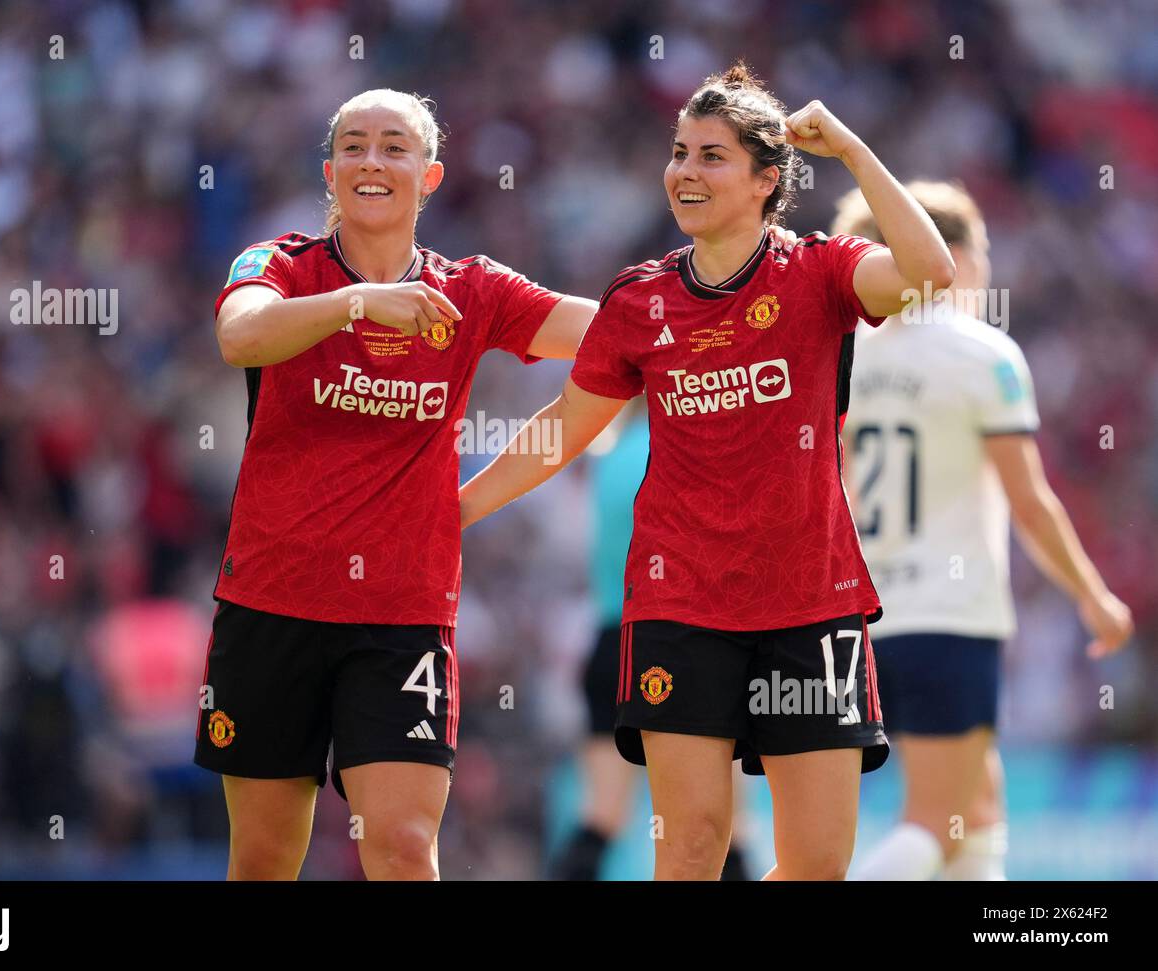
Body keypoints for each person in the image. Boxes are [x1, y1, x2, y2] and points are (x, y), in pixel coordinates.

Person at [460, 62, 956, 880]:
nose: (685, 171)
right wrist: (458, 508)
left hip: (810, 603)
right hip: (680, 605)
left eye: (711, 156)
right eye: (679, 152)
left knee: (818, 863)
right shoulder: (638, 302)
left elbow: (932, 275)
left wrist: (855, 153)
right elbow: (561, 431)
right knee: (690, 850)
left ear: (768, 179)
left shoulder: (822, 274)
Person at [193, 88, 602, 881]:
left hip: (402, 615)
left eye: (393, 146)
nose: (371, 160)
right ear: (330, 170)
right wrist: (355, 304)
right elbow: (239, 335)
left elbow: (607, 335)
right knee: (266, 858)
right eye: (353, 145)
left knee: (405, 847)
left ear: (431, 174)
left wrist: (709, 301)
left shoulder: (472, 291)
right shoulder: (279, 265)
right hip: (271, 602)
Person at [834, 182, 1134, 880]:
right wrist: (1091, 594)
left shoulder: (843, 354)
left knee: (980, 809)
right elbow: (1028, 500)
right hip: (947, 617)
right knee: (937, 822)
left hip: (859, 621)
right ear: (955, 256)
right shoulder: (980, 354)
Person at [549, 399, 755, 880]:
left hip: (610, 642)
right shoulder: (687, 449)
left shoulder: (609, 453)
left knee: (599, 819)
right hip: (682, 641)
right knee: (722, 826)